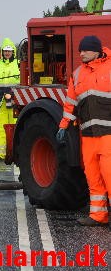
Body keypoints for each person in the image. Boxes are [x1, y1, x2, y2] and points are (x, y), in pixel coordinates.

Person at [56, 35, 111, 227]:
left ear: (96, 50)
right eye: (80, 50)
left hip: (108, 134)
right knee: (93, 175)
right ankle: (98, 215)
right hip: (88, 136)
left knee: (110, 174)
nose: (81, 53)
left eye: (85, 50)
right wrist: (63, 126)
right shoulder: (78, 74)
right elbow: (70, 103)